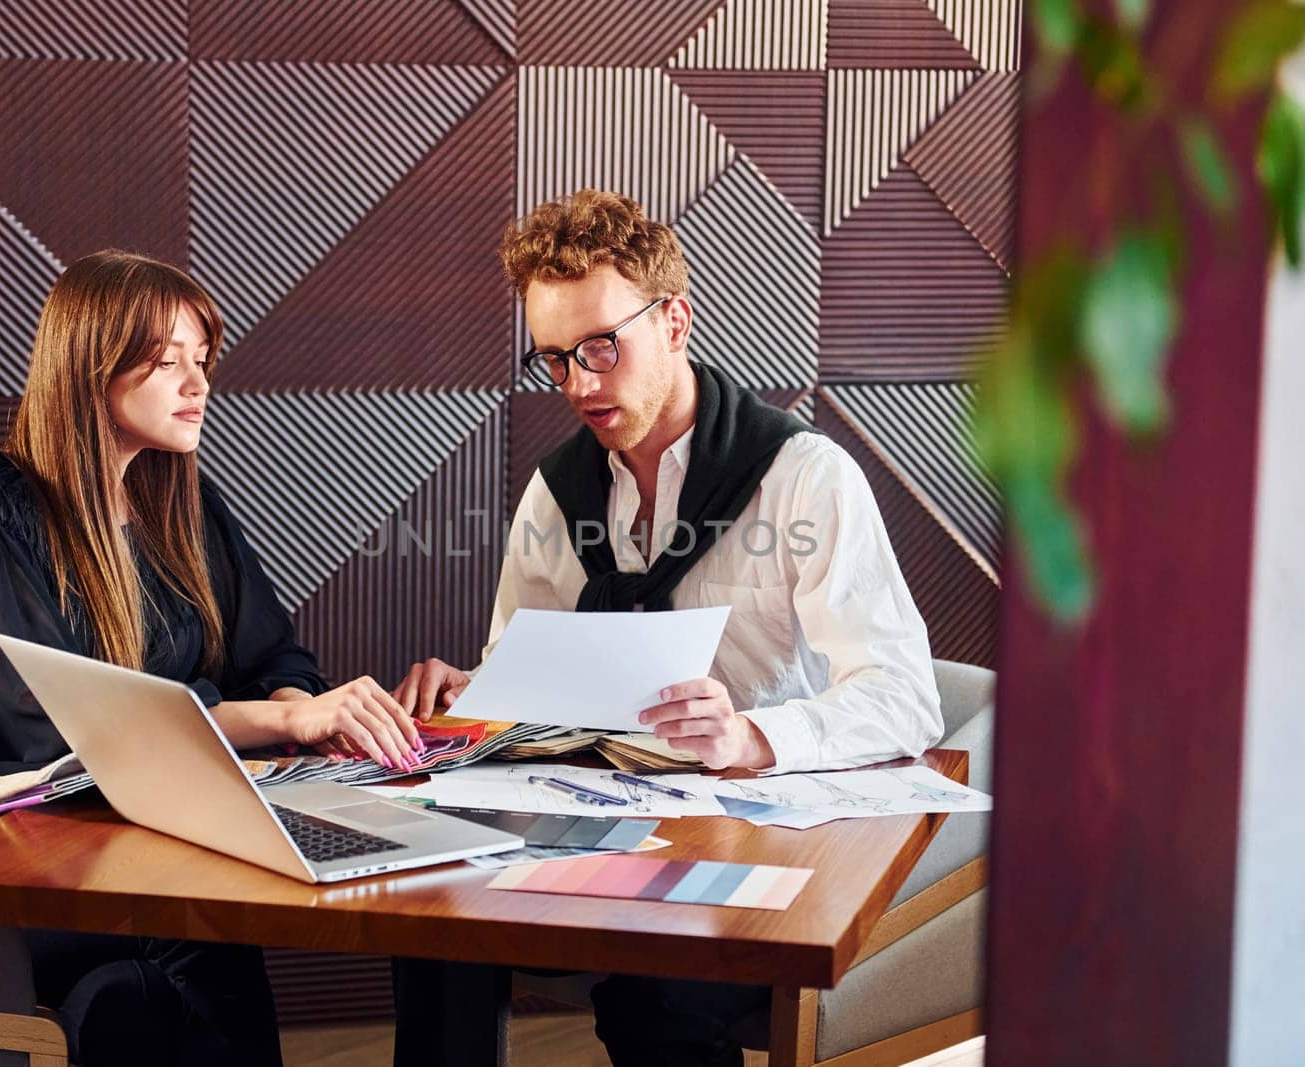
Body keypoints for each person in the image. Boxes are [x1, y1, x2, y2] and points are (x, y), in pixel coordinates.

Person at [389, 190, 943, 1067]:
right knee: (431, 913)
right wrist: (473, 689)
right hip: (605, 816)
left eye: (603, 347)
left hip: (762, 832)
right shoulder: (557, 491)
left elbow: (906, 695)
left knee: (658, 984)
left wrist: (752, 733)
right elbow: (521, 672)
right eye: (555, 359)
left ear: (675, 320)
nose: (579, 383)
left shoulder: (805, 480)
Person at [0, 249, 428, 1067]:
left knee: (129, 989)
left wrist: (308, 706)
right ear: (92, 371)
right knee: (190, 937)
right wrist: (284, 715)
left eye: (202, 359)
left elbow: (277, 657)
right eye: (166, 363)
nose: (199, 384)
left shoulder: (182, 504)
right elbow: (50, 742)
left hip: (98, 847)